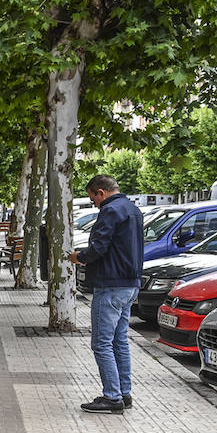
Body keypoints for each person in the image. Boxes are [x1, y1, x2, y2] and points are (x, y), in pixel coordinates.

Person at [70, 175, 144, 414]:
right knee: (119, 340)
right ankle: (124, 392)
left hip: (110, 284)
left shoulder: (110, 211)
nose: (95, 204)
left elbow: (100, 246)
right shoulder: (133, 209)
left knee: (102, 343)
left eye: (94, 199)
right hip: (130, 283)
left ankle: (112, 397)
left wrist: (79, 257)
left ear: (100, 192)